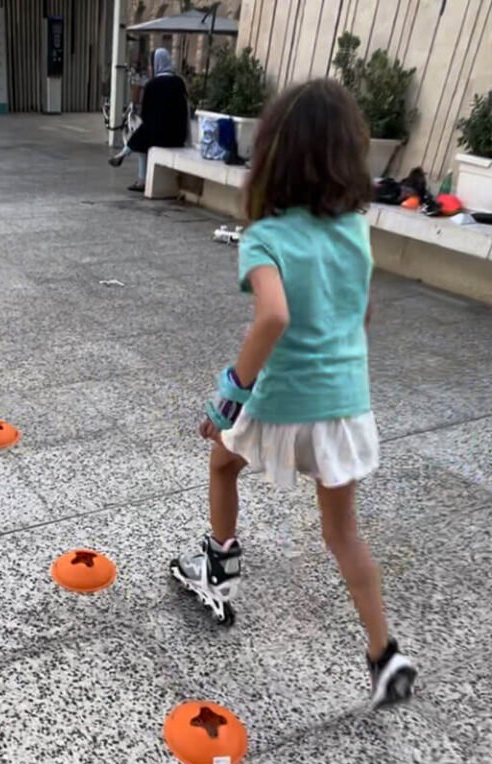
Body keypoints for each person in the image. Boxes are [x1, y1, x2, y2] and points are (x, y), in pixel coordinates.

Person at [169, 79, 418, 709]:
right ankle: (384, 655)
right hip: (345, 407)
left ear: (272, 154)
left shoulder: (265, 236)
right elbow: (362, 318)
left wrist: (227, 399)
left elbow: (272, 318)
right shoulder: (355, 232)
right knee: (343, 534)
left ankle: (219, 569)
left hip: (281, 404)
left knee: (223, 461)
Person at [108, 48, 188, 192]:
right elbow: (184, 111)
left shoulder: (152, 85)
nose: (150, 68)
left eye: (151, 64)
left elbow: (145, 114)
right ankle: (129, 165)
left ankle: (135, 172)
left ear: (157, 63)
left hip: (160, 137)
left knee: (143, 136)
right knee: (145, 136)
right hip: (177, 136)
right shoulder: (179, 83)